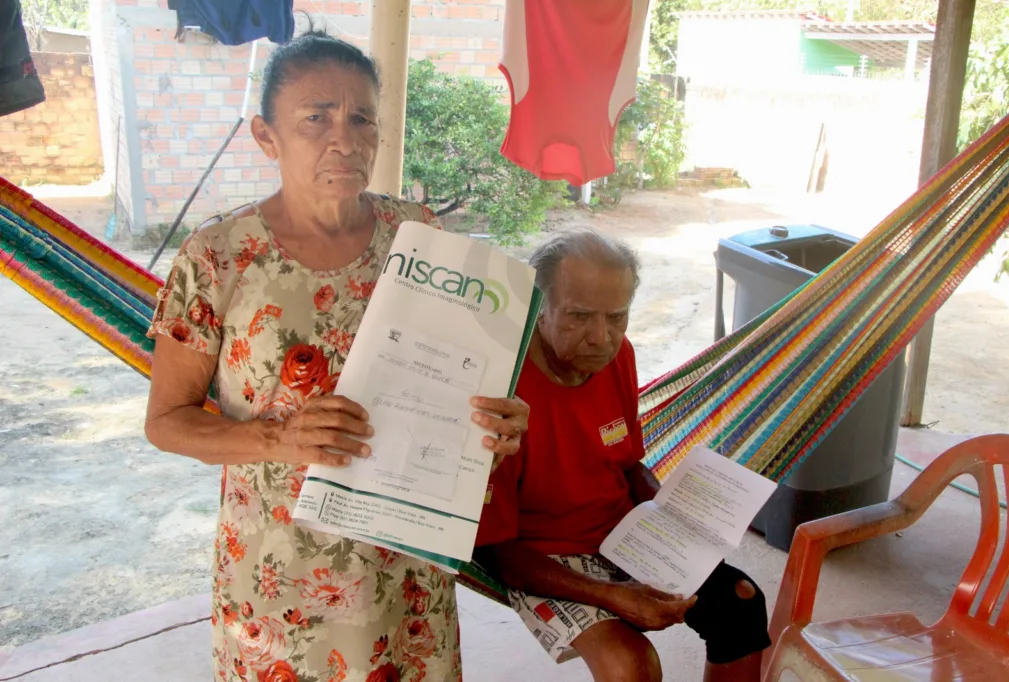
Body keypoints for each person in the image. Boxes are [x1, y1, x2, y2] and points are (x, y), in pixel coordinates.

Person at [144, 29, 529, 682]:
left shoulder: (419, 235)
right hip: (280, 569)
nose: (343, 139)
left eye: (360, 119)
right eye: (315, 118)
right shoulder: (217, 259)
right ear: (266, 137)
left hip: (403, 559)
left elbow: (459, 371)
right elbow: (167, 421)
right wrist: (278, 438)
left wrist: (498, 417)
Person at [474, 228, 770, 682]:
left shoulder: (617, 355)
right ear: (538, 309)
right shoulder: (502, 391)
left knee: (741, 601)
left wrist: (671, 516)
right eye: (578, 316)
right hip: (545, 558)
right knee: (631, 665)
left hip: (626, 532)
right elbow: (499, 554)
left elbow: (628, 464)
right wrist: (612, 595)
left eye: (617, 316)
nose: (601, 337)